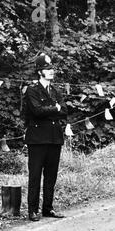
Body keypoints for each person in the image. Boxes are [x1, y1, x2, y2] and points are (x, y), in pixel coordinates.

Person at [24, 53, 68, 222]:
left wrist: (52, 109)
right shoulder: (32, 90)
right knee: (35, 175)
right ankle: (32, 210)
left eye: (51, 68)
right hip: (37, 139)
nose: (51, 71)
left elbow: (64, 111)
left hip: (54, 138)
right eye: (47, 68)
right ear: (39, 71)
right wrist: (54, 109)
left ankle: (47, 208)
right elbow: (36, 111)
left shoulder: (56, 91)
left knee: (51, 176)